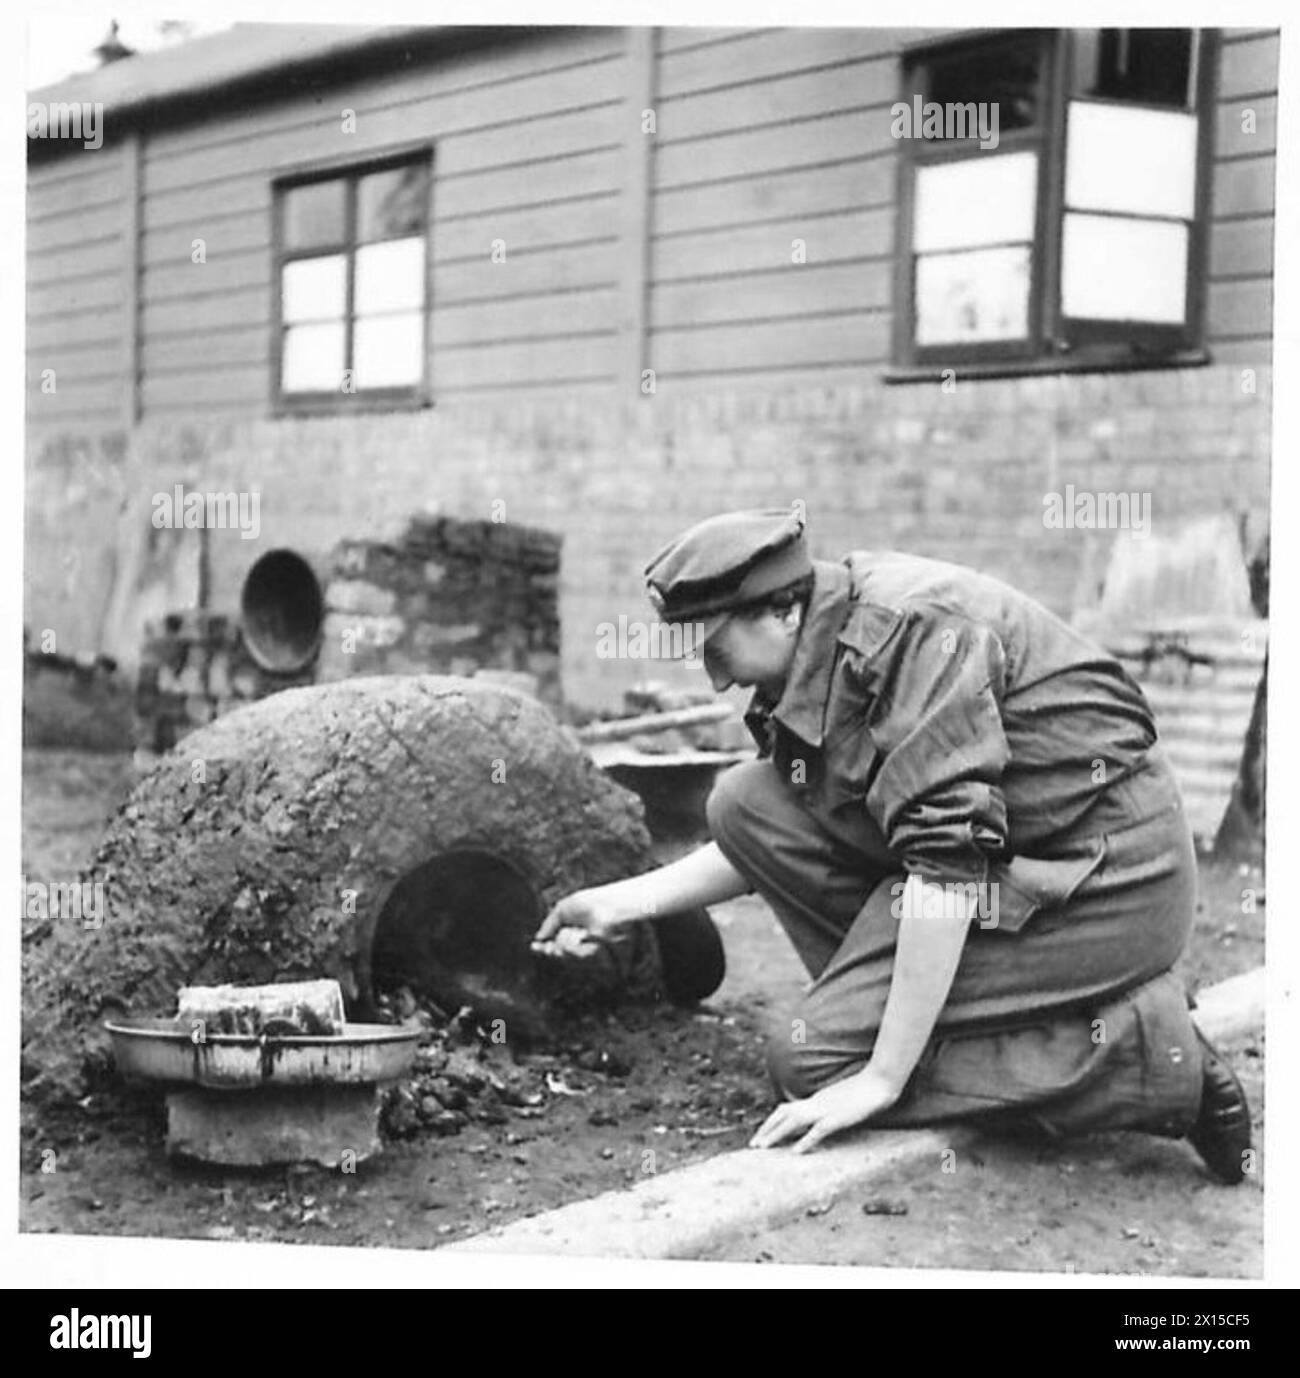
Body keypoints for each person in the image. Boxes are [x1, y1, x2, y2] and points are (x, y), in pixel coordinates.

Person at [533, 509, 1252, 1180]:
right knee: (743, 803)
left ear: (783, 611)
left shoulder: (914, 635)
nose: (716, 677)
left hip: (1106, 883)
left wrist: (881, 1078)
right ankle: (955, 1017)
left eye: (717, 647)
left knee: (814, 1064)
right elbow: (801, 826)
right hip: (1000, 869)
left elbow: (946, 865)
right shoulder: (821, 638)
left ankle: (1146, 1050)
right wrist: (620, 903)